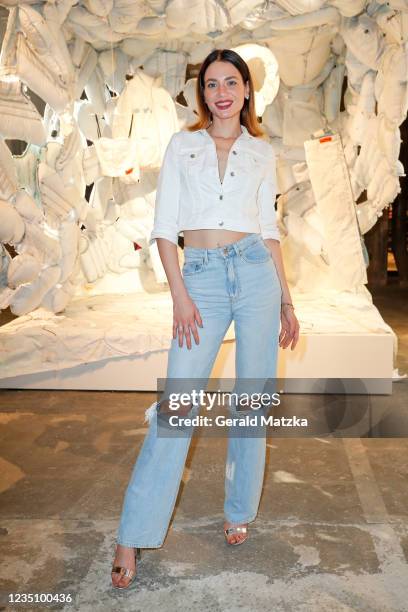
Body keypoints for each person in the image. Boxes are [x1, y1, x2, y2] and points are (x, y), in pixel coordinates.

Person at [111, 48, 299, 589]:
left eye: (231, 82)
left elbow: (269, 229)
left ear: (246, 90)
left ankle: (238, 509)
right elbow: (166, 229)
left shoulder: (261, 153)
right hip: (203, 279)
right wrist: (181, 296)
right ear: (203, 94)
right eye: (212, 83)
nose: (221, 91)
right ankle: (133, 533)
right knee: (177, 407)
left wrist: (287, 299)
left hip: (257, 274)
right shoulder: (182, 145)